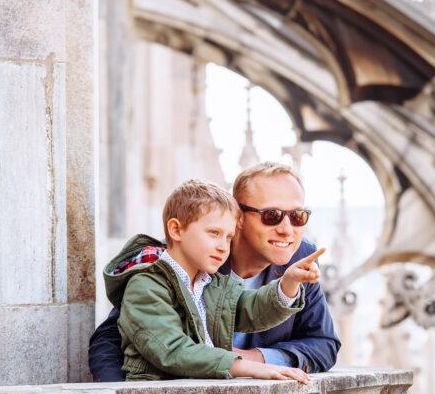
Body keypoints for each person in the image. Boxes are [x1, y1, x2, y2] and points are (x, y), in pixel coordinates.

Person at [90, 162, 341, 382]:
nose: (287, 230)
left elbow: (324, 344)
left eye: (298, 216)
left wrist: (257, 359)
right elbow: (113, 338)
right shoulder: (188, 256)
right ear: (238, 217)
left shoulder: (300, 257)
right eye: (272, 216)